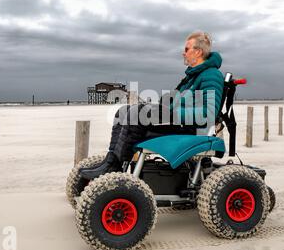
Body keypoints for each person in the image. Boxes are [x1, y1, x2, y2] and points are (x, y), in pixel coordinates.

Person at [80, 31, 224, 179]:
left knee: (136, 116)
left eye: (187, 49)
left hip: (190, 127)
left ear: (198, 51)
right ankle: (111, 161)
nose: (183, 53)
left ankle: (116, 167)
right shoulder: (193, 76)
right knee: (123, 112)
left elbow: (209, 113)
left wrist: (172, 113)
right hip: (179, 121)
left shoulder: (211, 75)